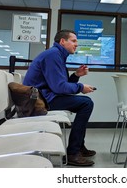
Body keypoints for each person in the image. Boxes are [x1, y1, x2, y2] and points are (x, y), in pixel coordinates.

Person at [23, 29, 96, 166]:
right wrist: (80, 87)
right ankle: (73, 152)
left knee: (85, 103)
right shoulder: (53, 56)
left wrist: (76, 75)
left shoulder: (57, 55)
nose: (76, 44)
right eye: (73, 41)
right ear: (63, 41)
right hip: (39, 101)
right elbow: (59, 87)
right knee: (86, 104)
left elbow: (61, 85)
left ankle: (78, 146)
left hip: (44, 97)